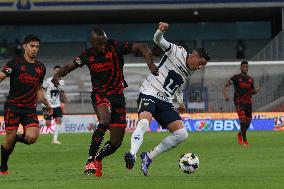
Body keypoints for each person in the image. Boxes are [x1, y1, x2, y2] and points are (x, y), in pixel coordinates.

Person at [51, 28, 157, 177]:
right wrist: (57, 75)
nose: (103, 47)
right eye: (99, 44)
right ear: (92, 43)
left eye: (104, 43)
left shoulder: (115, 46)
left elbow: (142, 47)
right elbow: (70, 66)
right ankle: (90, 160)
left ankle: (99, 159)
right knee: (105, 120)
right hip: (100, 95)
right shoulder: (87, 55)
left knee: (116, 142)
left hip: (118, 97)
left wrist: (150, 64)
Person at [124, 22, 210, 176]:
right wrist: (160, 30)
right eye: (201, 63)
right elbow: (158, 40)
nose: (201, 67)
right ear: (195, 56)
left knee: (182, 134)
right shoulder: (176, 51)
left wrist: (180, 102)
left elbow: (179, 85)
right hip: (150, 92)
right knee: (144, 122)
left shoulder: (190, 71)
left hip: (165, 101)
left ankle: (148, 157)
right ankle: (132, 154)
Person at [0, 34, 53, 174]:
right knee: (8, 140)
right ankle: (3, 166)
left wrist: (47, 105)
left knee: (32, 138)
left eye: (37, 47)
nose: (35, 49)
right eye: (32, 46)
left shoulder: (41, 67)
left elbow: (39, 89)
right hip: (13, 106)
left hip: (30, 109)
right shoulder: (14, 63)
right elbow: (1, 76)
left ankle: (15, 139)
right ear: (24, 46)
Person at [223, 60, 260, 146]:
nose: (245, 68)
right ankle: (245, 141)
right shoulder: (236, 78)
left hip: (248, 103)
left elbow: (251, 92)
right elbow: (225, 85)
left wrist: (256, 91)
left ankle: (240, 134)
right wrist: (226, 96)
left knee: (248, 123)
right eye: (244, 67)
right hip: (239, 103)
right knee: (243, 121)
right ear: (240, 68)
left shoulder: (250, 79)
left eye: (247, 67)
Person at [42, 65, 68, 144]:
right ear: (54, 71)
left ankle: (55, 139)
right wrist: (43, 99)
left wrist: (65, 98)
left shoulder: (62, 82)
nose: (57, 72)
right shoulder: (48, 80)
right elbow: (42, 88)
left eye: (59, 71)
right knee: (48, 124)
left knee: (59, 120)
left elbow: (62, 91)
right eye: (56, 70)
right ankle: (35, 122)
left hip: (57, 105)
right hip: (48, 105)